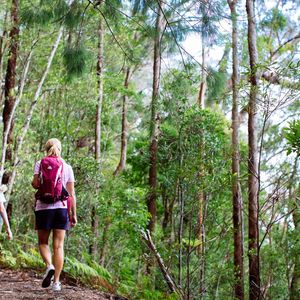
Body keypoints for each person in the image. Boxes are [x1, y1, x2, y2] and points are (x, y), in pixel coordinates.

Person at [31, 138, 77, 292]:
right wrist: (73, 214)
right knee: (58, 246)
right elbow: (71, 194)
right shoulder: (67, 167)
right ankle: (56, 283)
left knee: (43, 243)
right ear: (60, 149)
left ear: (46, 149)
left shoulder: (40, 163)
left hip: (43, 208)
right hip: (61, 208)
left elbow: (35, 184)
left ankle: (49, 266)